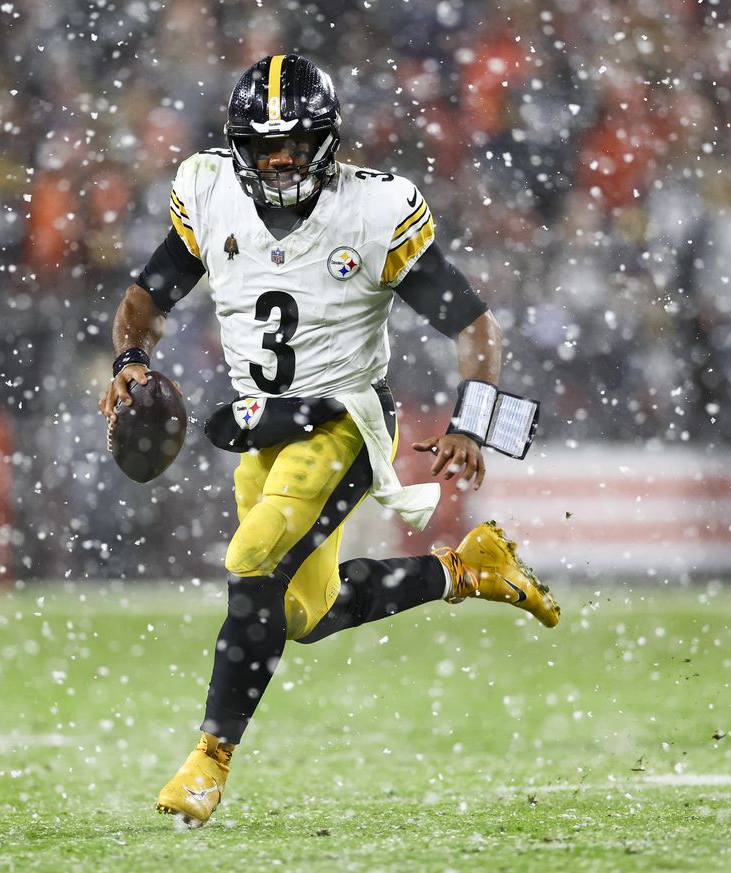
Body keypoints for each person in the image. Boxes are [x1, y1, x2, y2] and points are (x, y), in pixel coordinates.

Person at [97, 54, 560, 828]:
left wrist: (471, 421)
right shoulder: (210, 191)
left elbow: (471, 322)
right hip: (262, 426)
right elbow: (147, 294)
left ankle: (208, 759)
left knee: (254, 564)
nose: (280, 159)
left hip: (344, 419)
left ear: (329, 139)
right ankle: (466, 571)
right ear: (238, 145)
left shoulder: (374, 211)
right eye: (265, 144)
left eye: (297, 141)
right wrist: (130, 357)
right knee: (306, 612)